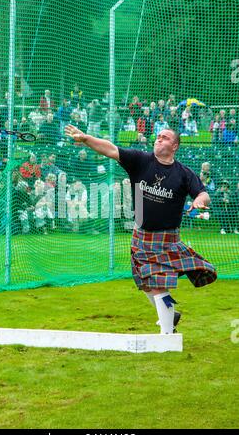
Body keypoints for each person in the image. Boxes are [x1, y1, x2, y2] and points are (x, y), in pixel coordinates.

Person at [65, 124, 217, 334]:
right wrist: (86, 138)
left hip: (167, 238)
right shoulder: (140, 161)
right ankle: (170, 316)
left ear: (175, 146)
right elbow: (110, 149)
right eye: (158, 136)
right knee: (145, 282)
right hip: (142, 234)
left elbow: (203, 193)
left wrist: (200, 200)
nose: (158, 139)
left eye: (164, 138)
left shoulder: (183, 173)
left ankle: (167, 335)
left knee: (157, 285)